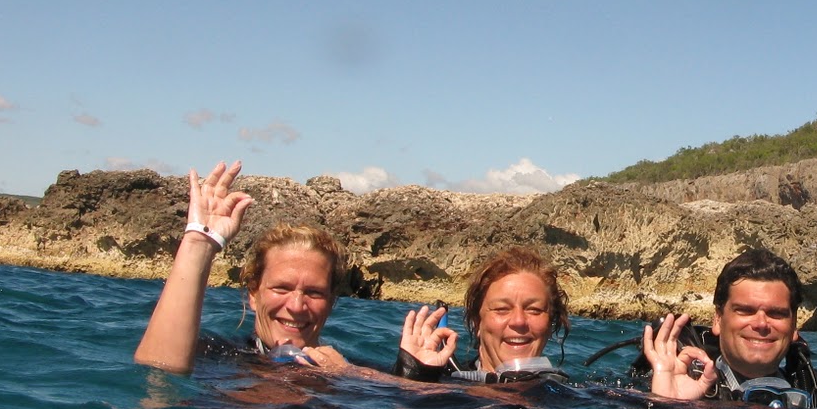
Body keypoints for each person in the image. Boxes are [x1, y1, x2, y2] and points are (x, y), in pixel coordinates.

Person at [135, 160, 350, 374]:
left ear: (331, 302)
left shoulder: (352, 373)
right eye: (281, 288)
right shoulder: (220, 358)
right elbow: (158, 375)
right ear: (253, 294)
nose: (296, 306)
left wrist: (348, 377)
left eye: (314, 292)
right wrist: (199, 244)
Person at [638, 247, 817, 409]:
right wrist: (666, 406)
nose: (761, 324)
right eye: (745, 311)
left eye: (776, 313)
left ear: (794, 326)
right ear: (718, 320)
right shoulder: (675, 383)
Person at [392, 246, 570, 383]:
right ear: (477, 322)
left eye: (534, 310)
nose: (518, 321)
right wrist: (411, 375)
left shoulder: (571, 400)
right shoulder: (444, 386)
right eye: (501, 309)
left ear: (550, 323)